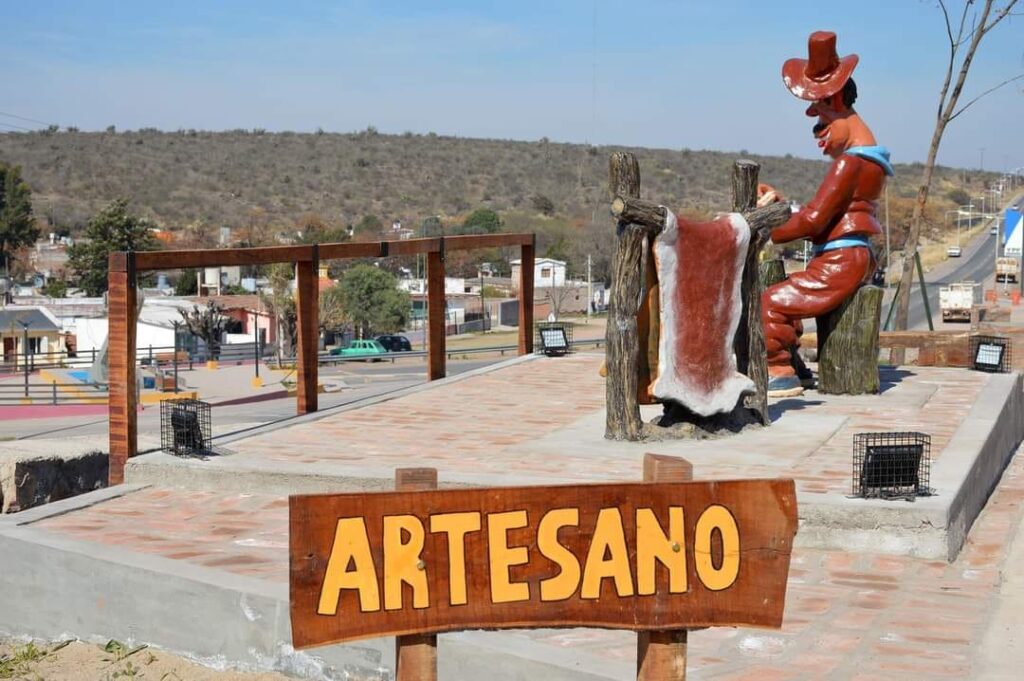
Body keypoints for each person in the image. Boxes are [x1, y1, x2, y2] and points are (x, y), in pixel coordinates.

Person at [759, 31, 894, 397]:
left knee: (769, 302)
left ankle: (778, 370)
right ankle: (795, 365)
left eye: (820, 122)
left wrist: (765, 228)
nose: (817, 135)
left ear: (835, 100)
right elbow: (829, 213)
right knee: (785, 295)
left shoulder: (850, 163)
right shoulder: (871, 162)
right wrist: (781, 208)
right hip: (852, 255)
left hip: (841, 259)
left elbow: (815, 220)